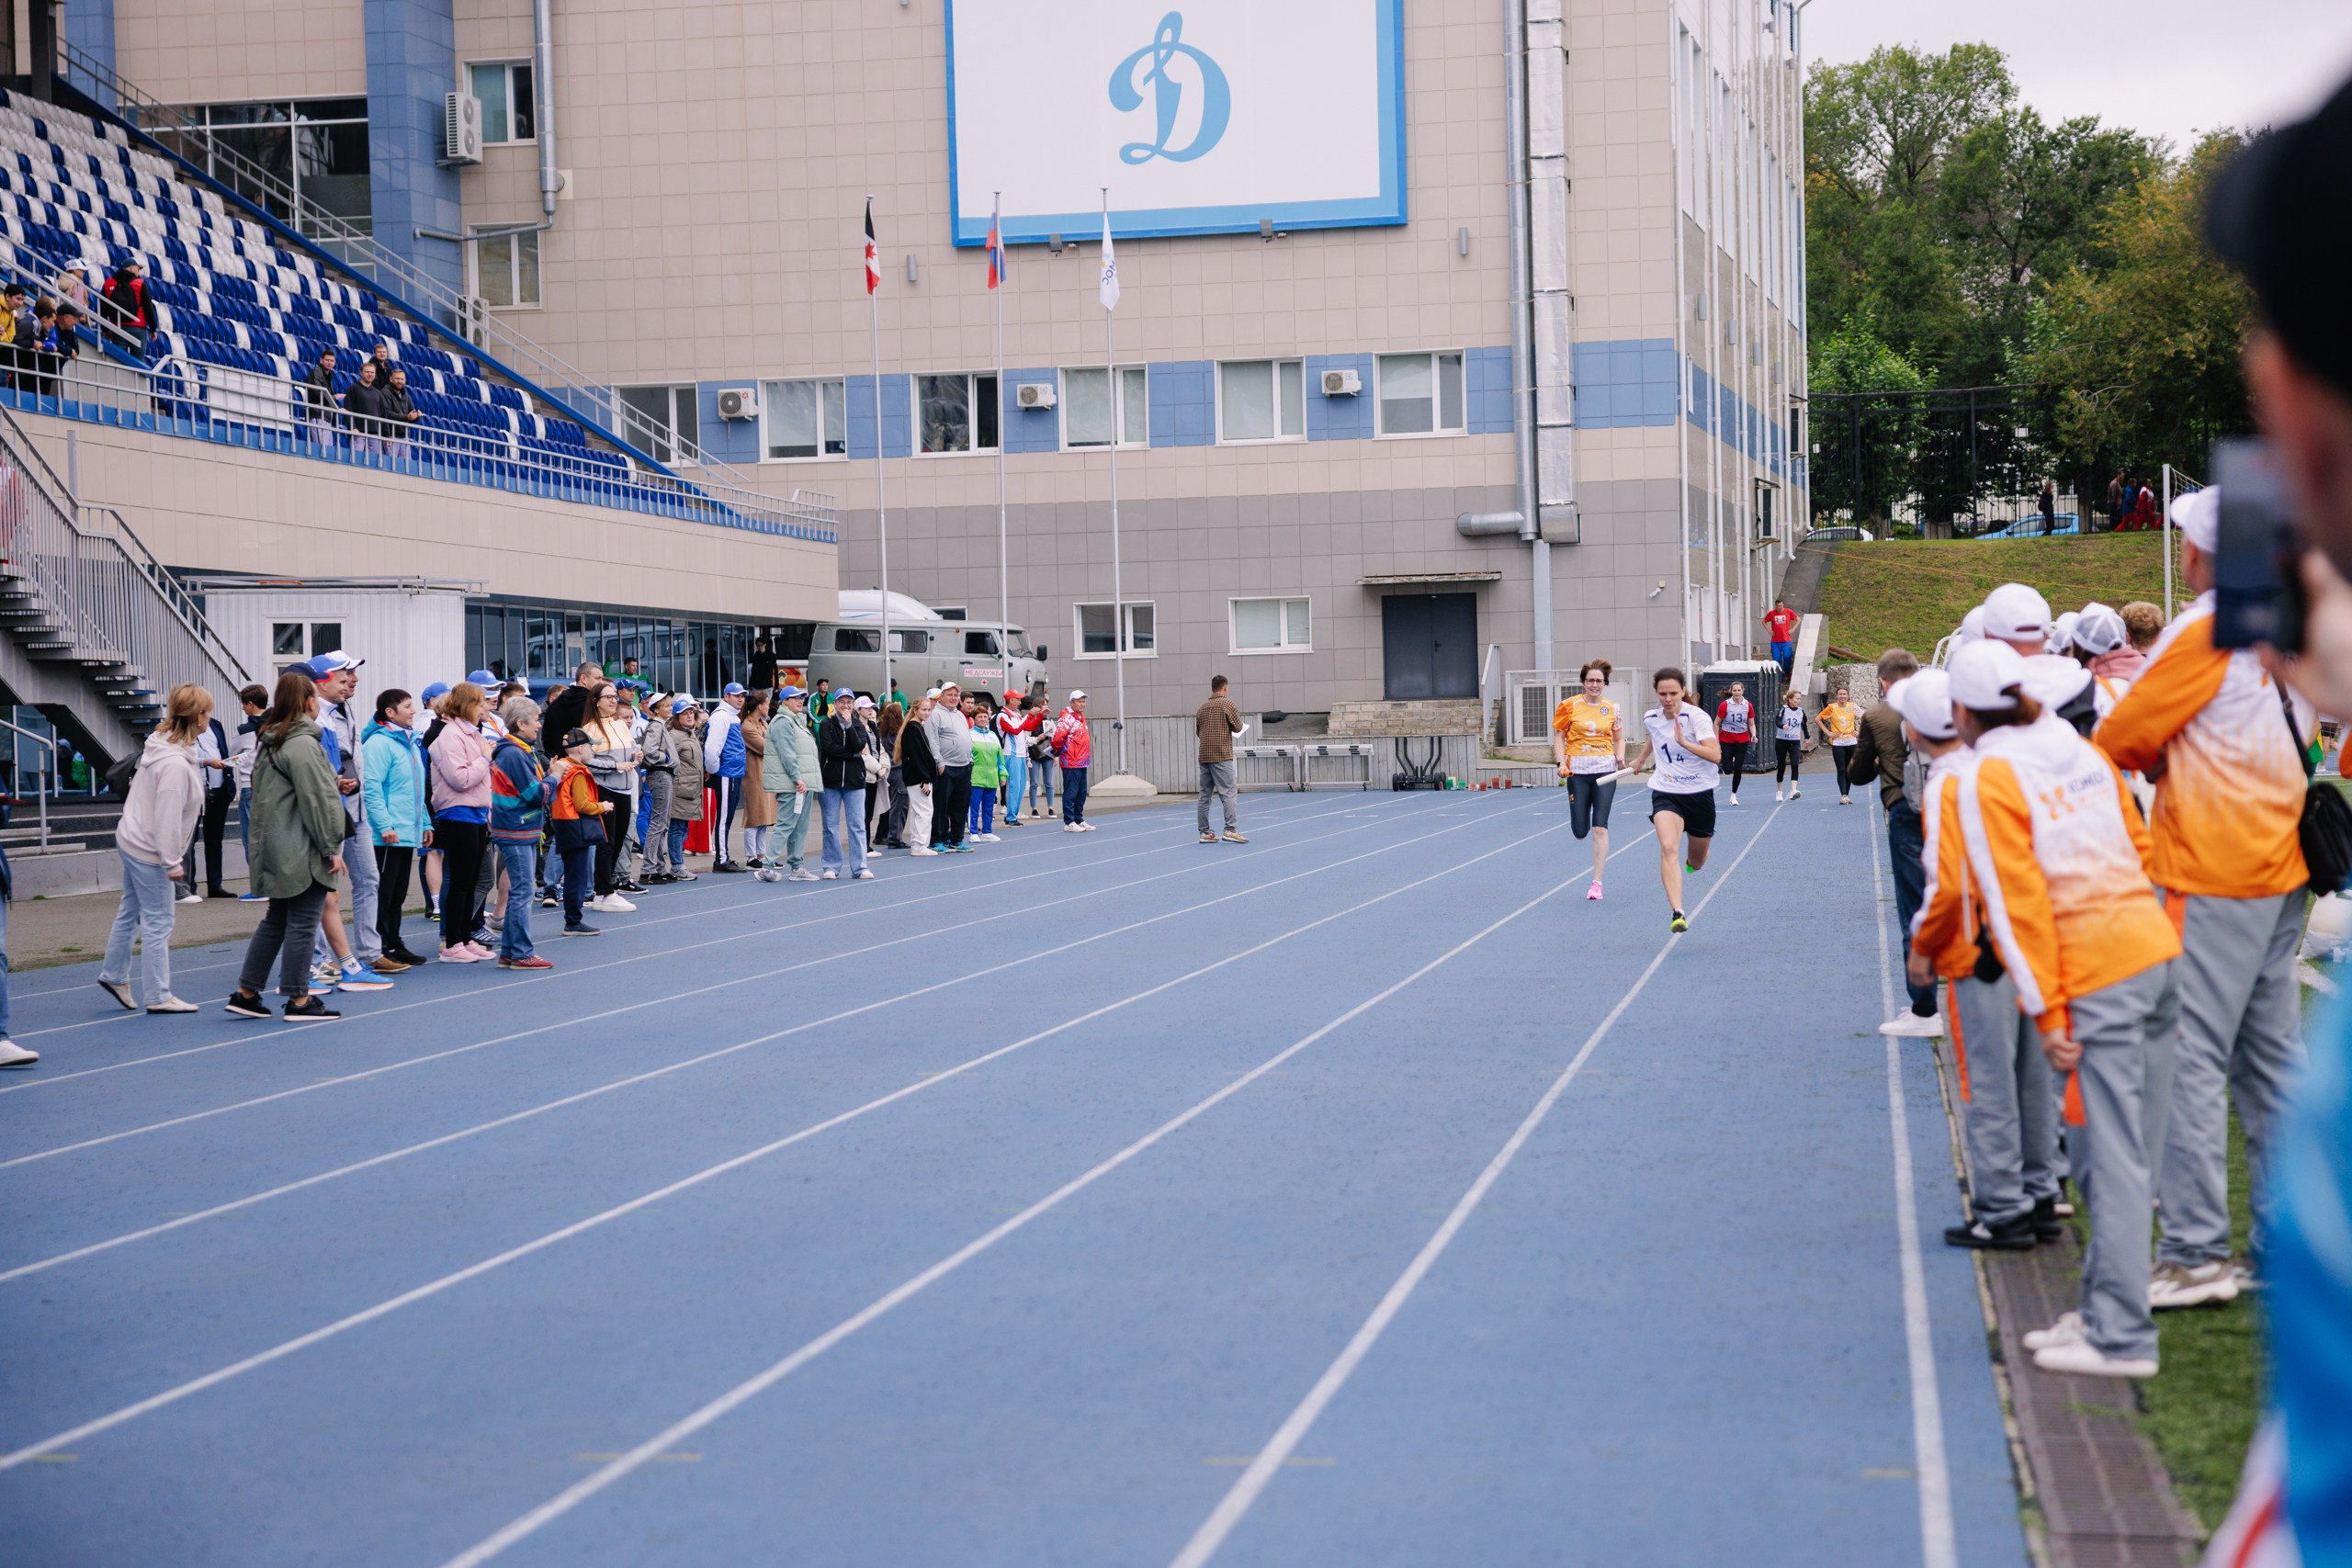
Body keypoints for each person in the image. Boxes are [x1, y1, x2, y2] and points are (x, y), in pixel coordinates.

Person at [2096, 485, 2310, 1311]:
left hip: (2211, 867)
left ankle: (2193, 1251)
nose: (2181, 551)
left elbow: (2121, 737)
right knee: (2272, 1064)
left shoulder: (2202, 629)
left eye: (2187, 538)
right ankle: (2283, 1240)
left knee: (2185, 1063)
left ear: (2205, 553)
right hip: (2284, 861)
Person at [1949, 638, 2180, 1377]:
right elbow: (2140, 846)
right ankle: (2107, 1305)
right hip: (2151, 951)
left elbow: (2015, 907)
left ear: (1962, 711)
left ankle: (2120, 1333)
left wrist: (2048, 1013)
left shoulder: (1989, 774)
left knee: (2103, 1160)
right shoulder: (2081, 749)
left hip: (2097, 974)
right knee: (2127, 1158)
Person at [1898, 665, 2063, 1250]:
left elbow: (1949, 880)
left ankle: (2002, 1208)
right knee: (2033, 1076)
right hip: (2032, 936)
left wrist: (1924, 946)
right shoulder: (2006, 765)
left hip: (1981, 947)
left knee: (1989, 1082)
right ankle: (2041, 1193)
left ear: (1916, 732)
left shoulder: (1949, 782)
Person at [223, 670, 351, 1022]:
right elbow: (318, 799)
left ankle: (247, 992)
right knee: (302, 922)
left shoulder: (273, 739)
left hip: (277, 844)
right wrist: (331, 846)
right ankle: (298, 999)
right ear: (309, 703)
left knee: (276, 920)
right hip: (299, 846)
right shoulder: (301, 743)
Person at [95, 683, 211, 1015]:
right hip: (148, 848)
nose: (209, 718)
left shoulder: (162, 744)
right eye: (206, 712)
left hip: (132, 838)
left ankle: (115, 974)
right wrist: (171, 861)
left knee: (131, 910)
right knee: (159, 920)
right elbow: (167, 816)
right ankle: (159, 995)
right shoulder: (173, 763)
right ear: (197, 716)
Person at [1849, 649, 1939, 1035]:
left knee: (1914, 905)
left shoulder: (1878, 715)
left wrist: (1880, 760)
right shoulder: (1947, 702)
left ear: (1883, 682)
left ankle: (1924, 1010)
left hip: (1906, 809)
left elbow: (1856, 775)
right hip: (1954, 802)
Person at [301, 651, 390, 984]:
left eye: (352, 675)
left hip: (358, 810)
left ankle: (370, 952)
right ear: (320, 683)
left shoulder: (346, 708)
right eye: (345, 676)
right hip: (331, 813)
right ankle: (321, 960)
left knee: (369, 879)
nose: (352, 681)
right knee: (326, 890)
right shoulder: (313, 720)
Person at [1629, 668, 1720, 932]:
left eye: (1672, 693)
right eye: (1662, 694)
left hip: (1700, 794)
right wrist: (1641, 759)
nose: (1667, 699)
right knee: (1668, 847)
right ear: (1656, 694)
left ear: (1683, 692)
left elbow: (1715, 755)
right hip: (1666, 791)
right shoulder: (1652, 717)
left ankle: (1693, 863)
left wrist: (1685, 742)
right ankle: (1677, 912)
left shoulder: (1697, 719)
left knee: (1698, 861)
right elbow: (1655, 736)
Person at [359, 689, 435, 968]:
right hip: (387, 834)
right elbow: (372, 788)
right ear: (390, 713)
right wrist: (384, 825)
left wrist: (425, 822)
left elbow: (416, 790)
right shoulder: (379, 744)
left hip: (407, 830)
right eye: (407, 706)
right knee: (384, 892)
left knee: (399, 892)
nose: (413, 710)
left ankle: (394, 941)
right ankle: (379, 947)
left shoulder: (409, 743)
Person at [427, 681, 495, 963]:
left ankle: (465, 936)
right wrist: (484, 758)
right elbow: (460, 778)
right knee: (460, 882)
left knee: (470, 880)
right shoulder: (450, 736)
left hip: (476, 812)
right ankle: (452, 942)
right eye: (480, 703)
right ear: (467, 705)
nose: (484, 708)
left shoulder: (471, 734)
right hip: (458, 812)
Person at [1551, 659, 1624, 900]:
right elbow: (1559, 737)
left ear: (1605, 684)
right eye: (1591, 680)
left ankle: (1597, 883)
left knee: (1600, 826)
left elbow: (1619, 738)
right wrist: (1561, 763)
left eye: (1599, 681)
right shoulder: (1568, 705)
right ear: (1583, 682)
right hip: (1578, 773)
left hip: (1605, 771)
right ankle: (1579, 826)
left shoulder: (1613, 707)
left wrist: (1621, 758)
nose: (1595, 684)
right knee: (1580, 830)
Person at [488, 697, 551, 968]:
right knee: (523, 891)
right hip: (516, 826)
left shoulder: (520, 750)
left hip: (519, 826)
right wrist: (555, 776)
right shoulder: (514, 753)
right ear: (521, 723)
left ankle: (511, 951)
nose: (539, 724)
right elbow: (534, 794)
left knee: (521, 889)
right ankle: (520, 952)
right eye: (535, 719)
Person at [548, 728, 611, 934]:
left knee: (572, 872)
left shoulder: (561, 767)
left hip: (563, 822)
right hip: (576, 825)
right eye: (591, 747)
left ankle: (572, 918)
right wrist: (603, 806)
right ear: (581, 748)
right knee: (578, 875)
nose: (592, 751)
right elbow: (583, 804)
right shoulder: (578, 772)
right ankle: (573, 921)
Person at [583, 683, 640, 912]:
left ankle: (604, 890)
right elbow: (587, 760)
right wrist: (615, 766)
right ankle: (604, 892)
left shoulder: (619, 724)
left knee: (617, 841)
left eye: (614, 696)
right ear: (596, 700)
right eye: (607, 697)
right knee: (606, 843)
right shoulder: (589, 728)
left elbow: (632, 747)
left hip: (625, 789)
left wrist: (637, 753)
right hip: (606, 789)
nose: (613, 700)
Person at [758, 686, 820, 882]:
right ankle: (767, 866)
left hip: (802, 783)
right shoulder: (783, 722)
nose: (800, 701)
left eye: (801, 698)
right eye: (795, 698)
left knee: (800, 826)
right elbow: (787, 753)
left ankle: (797, 866)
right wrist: (797, 778)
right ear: (784, 701)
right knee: (786, 824)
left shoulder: (797, 721)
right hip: (792, 785)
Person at [817, 692, 876, 879]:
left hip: (855, 782)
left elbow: (859, 745)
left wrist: (849, 725)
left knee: (857, 824)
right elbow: (829, 748)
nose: (845, 705)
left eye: (849, 702)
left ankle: (860, 867)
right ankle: (831, 867)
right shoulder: (826, 724)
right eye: (841, 702)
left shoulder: (858, 724)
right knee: (830, 826)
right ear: (834, 704)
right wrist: (853, 753)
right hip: (831, 782)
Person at [185, 695, 235, 898]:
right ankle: (189, 885)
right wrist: (206, 761)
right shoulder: (183, 729)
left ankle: (215, 885)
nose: (208, 714)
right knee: (191, 838)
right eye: (205, 710)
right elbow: (183, 757)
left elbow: (221, 750)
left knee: (215, 840)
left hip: (219, 788)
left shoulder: (215, 725)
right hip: (195, 790)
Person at [920, 681, 975, 852]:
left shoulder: (959, 715)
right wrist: (939, 762)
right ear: (941, 697)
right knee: (941, 806)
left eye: (956, 695)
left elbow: (966, 737)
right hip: (946, 767)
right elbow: (932, 740)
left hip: (964, 766)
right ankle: (937, 839)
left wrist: (970, 758)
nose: (953, 698)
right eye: (949, 695)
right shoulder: (935, 715)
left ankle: (956, 839)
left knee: (960, 806)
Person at [1194, 675, 1247, 843]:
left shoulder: (1202, 707)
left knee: (1204, 796)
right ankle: (1230, 830)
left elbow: (1198, 731)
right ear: (1225, 688)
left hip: (1204, 755)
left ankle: (1204, 832)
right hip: (1221, 754)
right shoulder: (1227, 703)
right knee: (1228, 793)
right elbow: (1238, 727)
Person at [703, 682, 750, 870]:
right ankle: (721, 859)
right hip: (726, 773)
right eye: (736, 695)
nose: (740, 699)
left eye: (742, 696)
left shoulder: (731, 717)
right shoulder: (721, 717)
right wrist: (714, 770)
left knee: (727, 817)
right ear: (726, 697)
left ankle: (723, 856)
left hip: (732, 773)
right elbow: (712, 748)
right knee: (723, 818)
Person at [637, 693, 679, 881]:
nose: (670, 708)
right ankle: (649, 868)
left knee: (662, 822)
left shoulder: (660, 725)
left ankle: (658, 867)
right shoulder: (656, 726)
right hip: (660, 774)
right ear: (656, 709)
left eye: (670, 705)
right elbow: (649, 751)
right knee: (658, 822)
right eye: (666, 705)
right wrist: (666, 758)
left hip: (663, 774)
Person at [231, 682, 266, 897]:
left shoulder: (244, 730)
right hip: (273, 788)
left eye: (244, 705)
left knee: (250, 839)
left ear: (250, 704)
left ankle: (258, 888)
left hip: (250, 787)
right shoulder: (278, 723)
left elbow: (231, 753)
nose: (243, 709)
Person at [666, 699, 707, 875]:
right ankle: (677, 865)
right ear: (677, 716)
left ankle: (679, 863)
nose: (690, 715)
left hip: (690, 789)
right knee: (676, 828)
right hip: (680, 788)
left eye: (691, 712)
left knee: (683, 828)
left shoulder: (689, 734)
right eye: (685, 713)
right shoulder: (674, 736)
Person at [740, 691, 776, 869]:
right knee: (754, 817)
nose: (769, 707)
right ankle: (750, 856)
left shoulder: (762, 723)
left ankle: (762, 855)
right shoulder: (747, 726)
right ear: (760, 706)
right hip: (754, 775)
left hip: (765, 774)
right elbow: (766, 747)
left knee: (764, 818)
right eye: (767, 704)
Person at [899, 695, 940, 855]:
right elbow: (917, 757)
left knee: (918, 811)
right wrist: (925, 778)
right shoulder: (913, 729)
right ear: (915, 710)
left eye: (929, 709)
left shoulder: (915, 727)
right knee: (924, 811)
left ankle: (917, 843)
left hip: (916, 776)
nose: (927, 712)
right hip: (918, 777)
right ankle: (919, 844)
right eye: (924, 709)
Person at [1053, 690, 1093, 831]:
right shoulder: (1067, 718)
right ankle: (1069, 822)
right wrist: (1061, 752)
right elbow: (1057, 738)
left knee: (1081, 792)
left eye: (1084, 701)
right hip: (1071, 761)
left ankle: (1078, 819)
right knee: (1071, 792)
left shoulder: (1080, 717)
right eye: (1079, 701)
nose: (1082, 704)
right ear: (1072, 702)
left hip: (1082, 761)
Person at [1815, 681, 1861, 803]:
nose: (1842, 696)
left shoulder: (1852, 706)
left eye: (1844, 694)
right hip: (1838, 742)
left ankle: (1847, 795)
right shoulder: (1832, 708)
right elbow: (1818, 719)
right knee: (1841, 769)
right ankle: (1843, 795)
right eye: (1840, 694)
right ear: (1836, 696)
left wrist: (1860, 732)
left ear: (1848, 695)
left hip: (1851, 741)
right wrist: (1828, 732)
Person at [998, 694, 1040, 825]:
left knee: (1021, 787)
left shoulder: (1016, 715)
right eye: (1018, 699)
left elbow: (1030, 727)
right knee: (1014, 786)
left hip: (1020, 755)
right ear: (1011, 700)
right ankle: (1010, 817)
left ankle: (1013, 815)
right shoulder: (1002, 716)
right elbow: (1015, 730)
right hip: (1011, 754)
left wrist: (1040, 716)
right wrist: (1029, 715)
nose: (1020, 701)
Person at [1713, 679, 1755, 805]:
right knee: (1727, 769)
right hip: (1727, 738)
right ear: (1731, 691)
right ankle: (1729, 760)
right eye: (1734, 690)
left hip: (1742, 738)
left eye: (1739, 690)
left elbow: (1751, 723)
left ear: (1743, 691)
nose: (1737, 692)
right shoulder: (1725, 705)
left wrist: (1754, 735)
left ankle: (1733, 795)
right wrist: (1716, 742)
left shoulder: (1748, 705)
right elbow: (1716, 723)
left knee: (1738, 768)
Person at [99, 257, 154, 352]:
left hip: (117, 327)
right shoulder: (140, 283)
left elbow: (103, 309)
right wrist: (153, 328)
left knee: (119, 360)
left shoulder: (108, 283)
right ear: (132, 268)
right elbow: (148, 307)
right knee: (137, 363)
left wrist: (105, 330)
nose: (139, 273)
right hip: (138, 327)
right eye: (138, 269)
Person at [968, 694, 1002, 842]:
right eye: (979, 717)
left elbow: (1000, 758)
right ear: (974, 719)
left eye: (985, 717)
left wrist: (1003, 774)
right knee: (974, 806)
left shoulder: (993, 736)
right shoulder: (970, 735)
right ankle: (973, 832)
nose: (983, 719)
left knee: (989, 806)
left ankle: (987, 831)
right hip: (976, 776)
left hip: (992, 777)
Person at [876, 701, 910, 846]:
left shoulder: (883, 733)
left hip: (889, 772)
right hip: (899, 771)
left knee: (892, 806)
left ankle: (890, 836)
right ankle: (895, 838)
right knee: (900, 806)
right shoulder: (899, 735)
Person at [342, 360, 385, 457]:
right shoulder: (353, 388)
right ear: (361, 373)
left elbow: (383, 414)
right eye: (367, 372)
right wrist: (353, 427)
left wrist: (386, 435)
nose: (370, 374)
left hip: (375, 435)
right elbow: (348, 410)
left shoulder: (378, 393)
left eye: (372, 372)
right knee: (356, 460)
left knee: (374, 463)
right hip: (358, 433)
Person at [1772, 686, 1806, 801]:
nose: (1799, 701)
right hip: (1782, 740)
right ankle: (1779, 791)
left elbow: (1804, 725)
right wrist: (1783, 726)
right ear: (1790, 700)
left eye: (1800, 699)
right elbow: (1777, 720)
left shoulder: (1801, 711)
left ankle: (1793, 790)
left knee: (1795, 764)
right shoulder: (1784, 709)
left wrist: (1806, 737)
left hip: (1794, 741)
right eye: (1797, 699)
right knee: (1781, 766)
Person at [380, 367, 421, 461]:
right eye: (397, 379)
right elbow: (387, 414)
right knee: (390, 463)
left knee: (405, 466)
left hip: (403, 437)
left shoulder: (405, 395)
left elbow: (411, 413)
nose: (400, 381)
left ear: (405, 380)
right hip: (390, 435)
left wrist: (416, 416)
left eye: (402, 379)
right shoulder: (385, 393)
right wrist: (407, 417)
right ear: (391, 379)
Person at [300, 347, 339, 446]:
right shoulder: (316, 372)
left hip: (326, 416)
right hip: (317, 414)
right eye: (327, 360)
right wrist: (334, 398)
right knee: (321, 447)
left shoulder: (329, 376)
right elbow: (317, 393)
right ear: (321, 360)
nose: (329, 363)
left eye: (332, 361)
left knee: (328, 447)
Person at [1763, 597, 1800, 678]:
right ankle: (1779, 677)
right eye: (1778, 606)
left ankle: (1787, 672)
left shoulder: (1788, 611)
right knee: (1776, 660)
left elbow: (1798, 619)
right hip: (1775, 641)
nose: (1780, 608)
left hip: (1786, 640)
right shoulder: (1771, 613)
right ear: (1775, 606)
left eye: (1781, 606)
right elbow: (1764, 622)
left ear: (1783, 605)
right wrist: (1769, 631)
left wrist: (1792, 629)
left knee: (1787, 657)